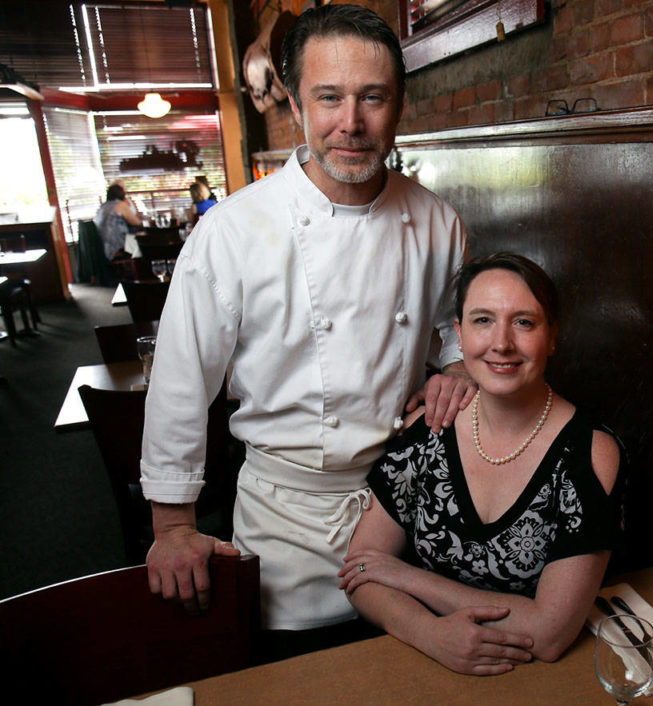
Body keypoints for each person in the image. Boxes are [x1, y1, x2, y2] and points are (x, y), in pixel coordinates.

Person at [140, 3, 475, 656]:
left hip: (404, 507)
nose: (350, 123)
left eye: (372, 98)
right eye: (330, 98)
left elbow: (453, 335)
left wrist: (459, 370)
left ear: (399, 105)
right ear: (297, 106)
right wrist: (174, 525)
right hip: (282, 519)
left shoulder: (439, 223)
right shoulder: (232, 230)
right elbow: (181, 384)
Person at [338, 253, 621, 675]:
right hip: (415, 665)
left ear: (553, 336)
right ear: (459, 334)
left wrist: (409, 578)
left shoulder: (589, 452)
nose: (501, 343)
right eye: (482, 320)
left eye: (523, 322)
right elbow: (360, 570)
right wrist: (428, 634)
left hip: (532, 681)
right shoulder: (429, 428)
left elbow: (549, 633)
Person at [94, 182, 142, 260]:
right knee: (146, 240)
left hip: (104, 246)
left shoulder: (103, 206)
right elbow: (136, 222)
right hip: (118, 246)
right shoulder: (120, 204)